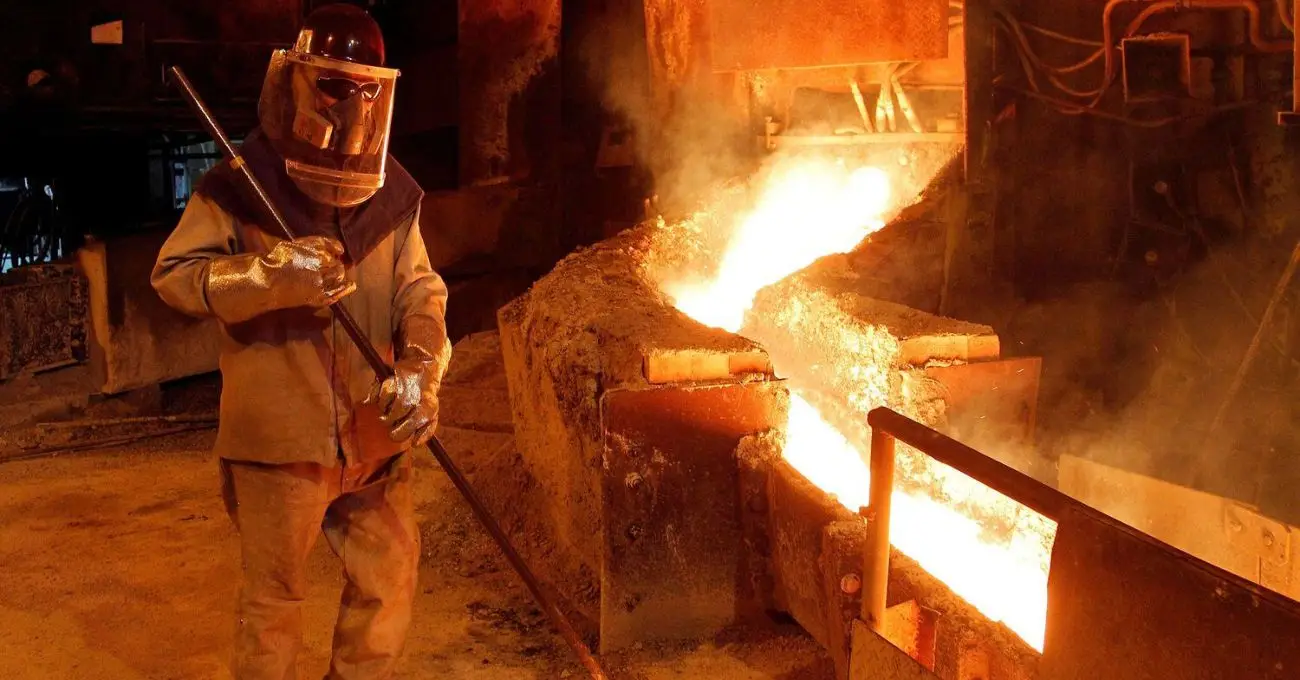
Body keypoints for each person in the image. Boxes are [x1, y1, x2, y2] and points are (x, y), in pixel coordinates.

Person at [151, 4, 450, 678]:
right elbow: (175, 278)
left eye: (365, 89)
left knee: (389, 581)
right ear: (296, 80)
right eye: (334, 86)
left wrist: (420, 368)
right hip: (280, 440)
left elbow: (420, 292)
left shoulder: (390, 196)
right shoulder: (239, 185)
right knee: (275, 604)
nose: (350, 105)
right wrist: (267, 275)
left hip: (372, 434)